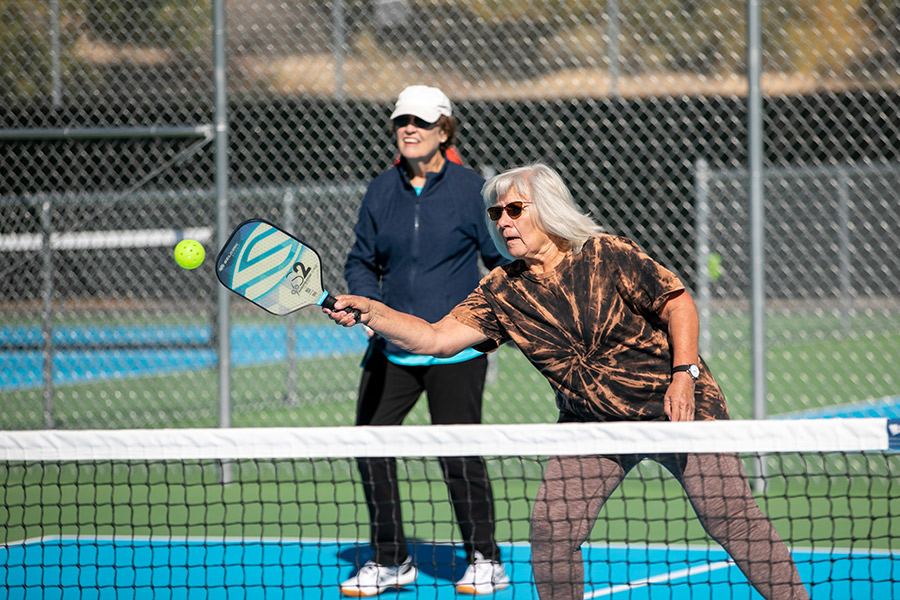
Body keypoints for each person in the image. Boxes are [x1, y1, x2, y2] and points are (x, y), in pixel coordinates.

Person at [326, 163, 811, 600]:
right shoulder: (501, 290)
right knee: (552, 530)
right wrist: (374, 310)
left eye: (515, 209)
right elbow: (435, 339)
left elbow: (676, 302)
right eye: (496, 213)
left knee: (731, 519)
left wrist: (683, 375)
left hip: (675, 406)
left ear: (548, 210)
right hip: (591, 423)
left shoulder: (604, 254)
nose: (503, 221)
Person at [339, 85, 510, 597]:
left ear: (444, 130)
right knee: (371, 448)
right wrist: (367, 305)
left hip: (455, 346)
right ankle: (392, 560)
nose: (408, 129)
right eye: (401, 121)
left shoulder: (470, 189)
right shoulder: (379, 191)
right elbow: (361, 260)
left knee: (458, 453)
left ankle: (485, 559)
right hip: (391, 346)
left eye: (420, 121)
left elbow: (501, 262)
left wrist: (493, 322)